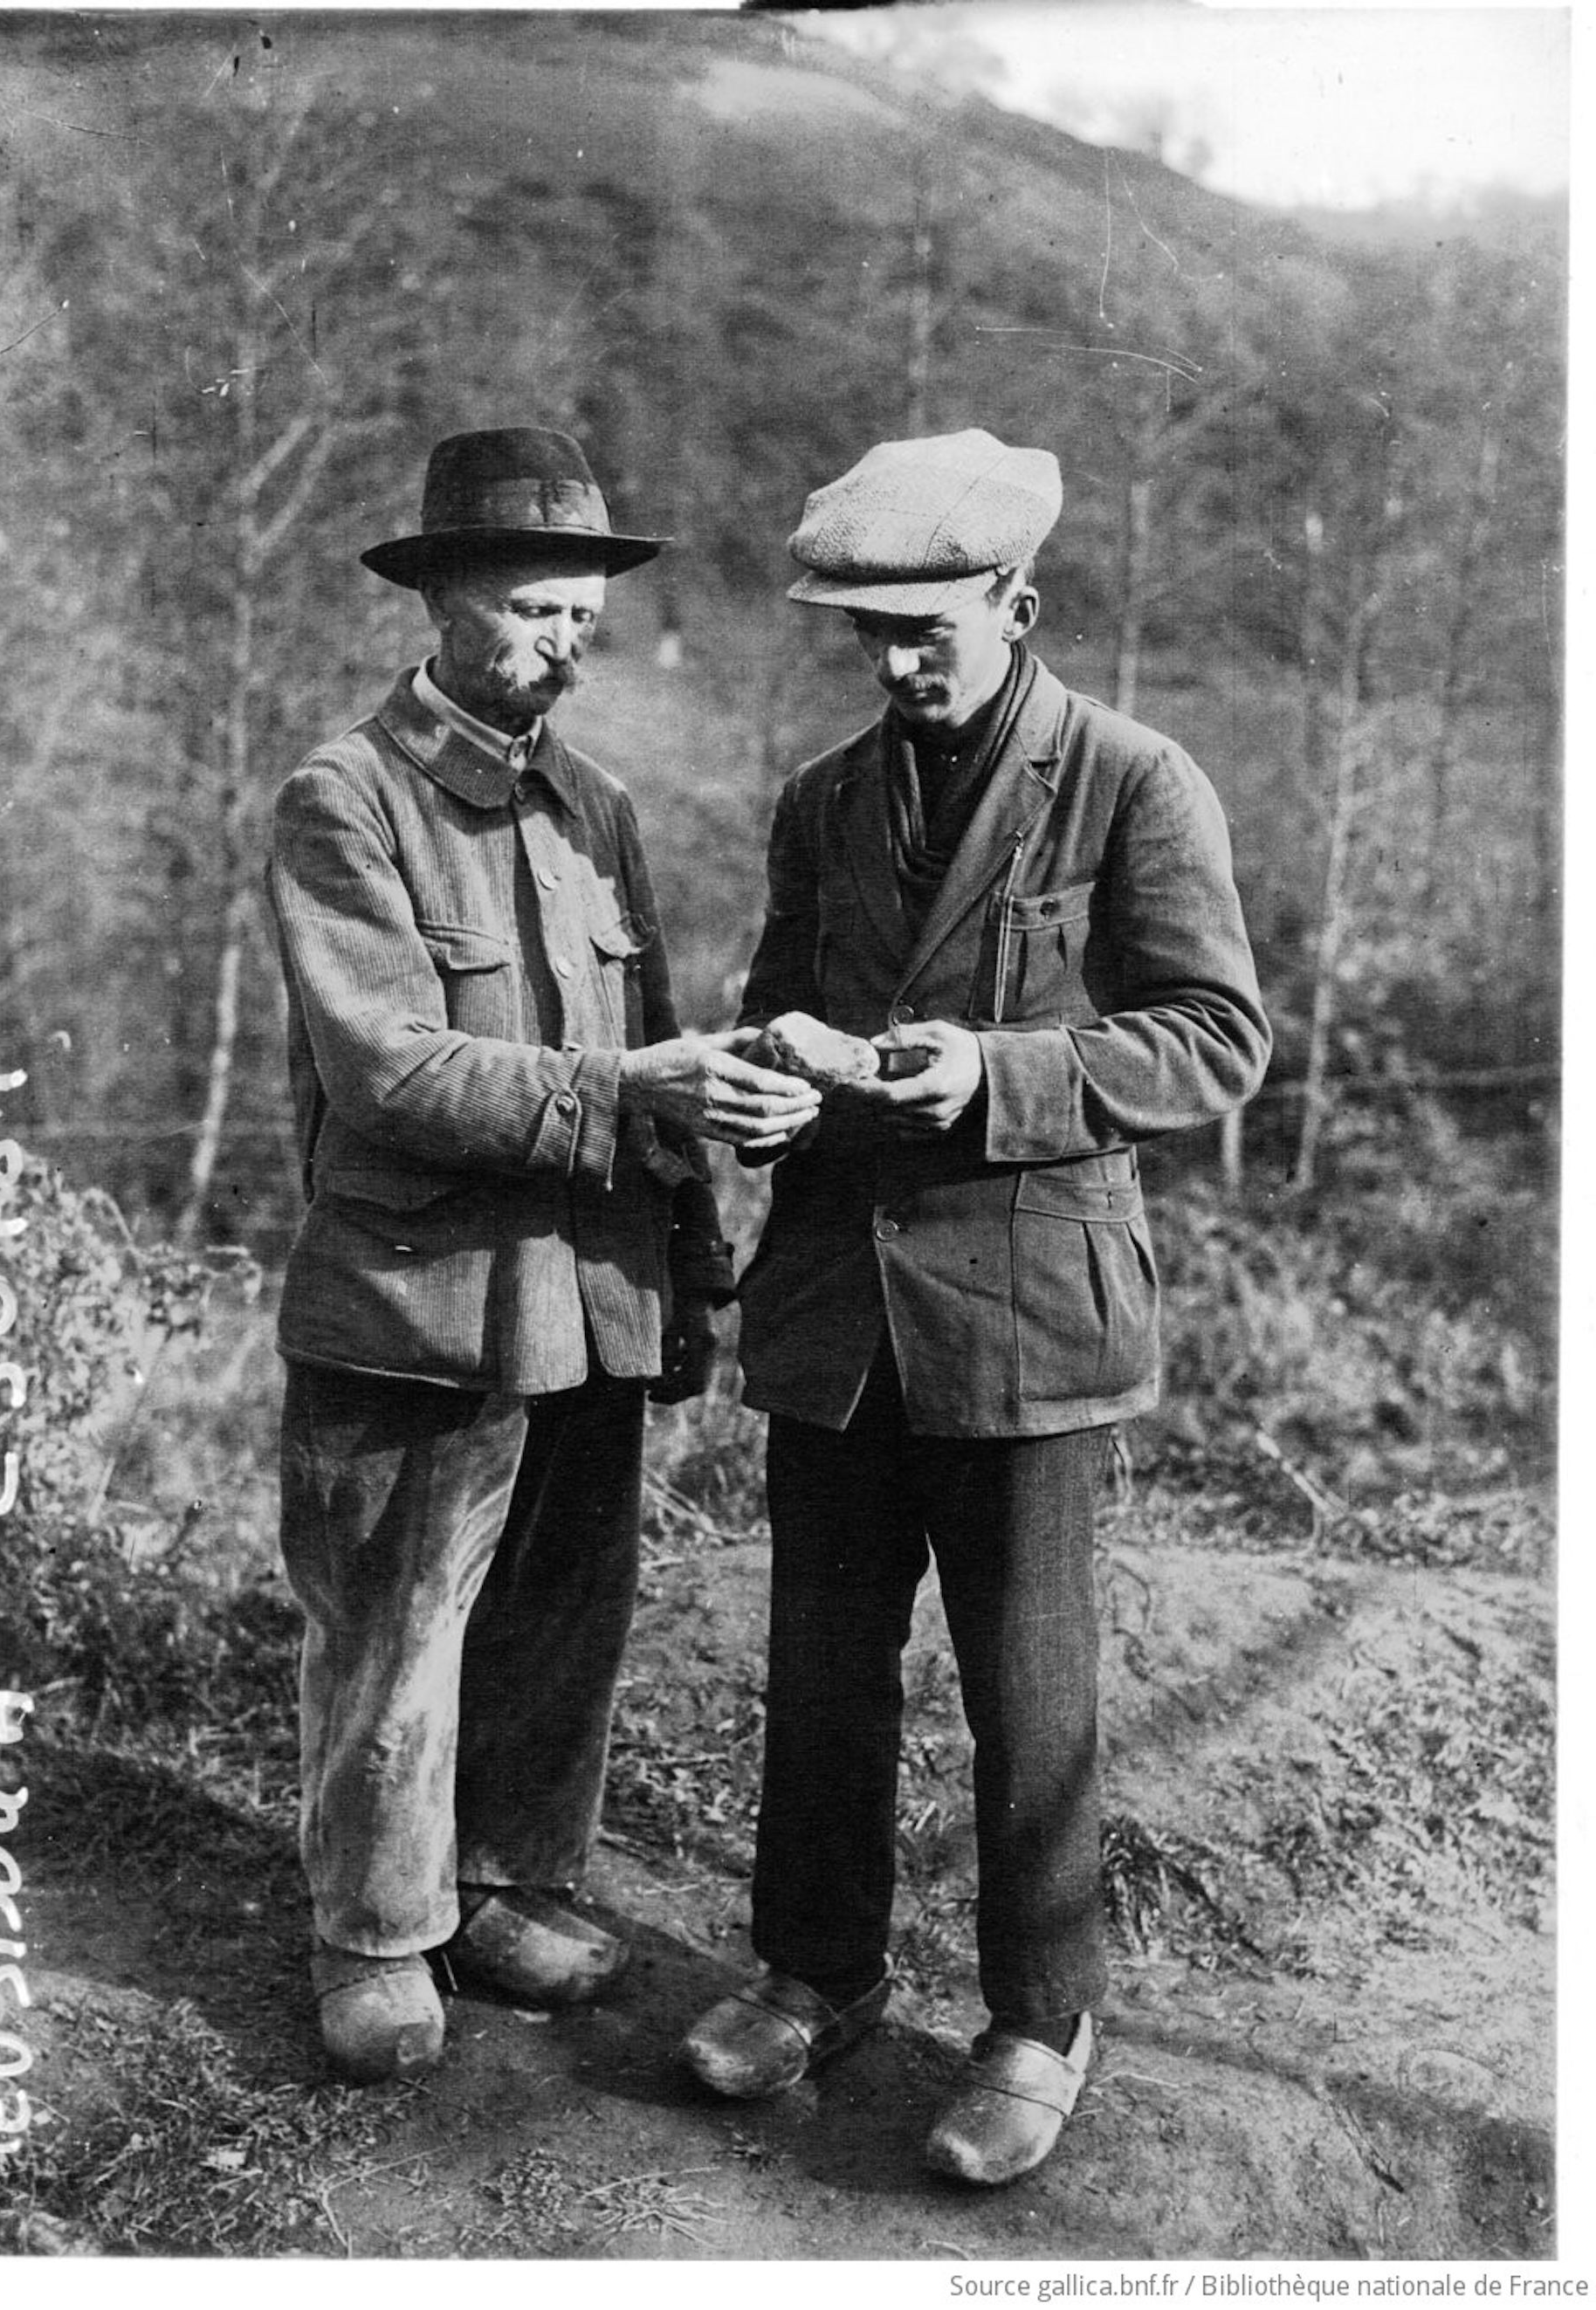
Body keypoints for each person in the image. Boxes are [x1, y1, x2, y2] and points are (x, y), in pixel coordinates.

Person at [679, 429, 1270, 2184]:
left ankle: (1039, 2018)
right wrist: (769, 1071)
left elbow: (1214, 1042)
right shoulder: (824, 800)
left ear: (1024, 601)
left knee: (1032, 1693)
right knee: (822, 1675)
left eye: (930, 627)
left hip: (1023, 1319)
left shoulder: (1133, 783)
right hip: (837, 1314)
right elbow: (780, 992)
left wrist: (996, 1076)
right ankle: (815, 1973)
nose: (900, 662)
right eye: (871, 635)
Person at [267, 427, 819, 2085]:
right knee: (397, 1618)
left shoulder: (597, 806)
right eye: (529, 608)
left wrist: (702, 1268)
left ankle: (502, 1885)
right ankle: (371, 1932)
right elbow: (392, 1069)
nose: (564, 640)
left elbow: (652, 1048)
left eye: (582, 613)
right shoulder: (341, 799)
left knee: (560, 1611)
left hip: (593, 1293)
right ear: (438, 603)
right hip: (417, 1301)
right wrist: (623, 1086)